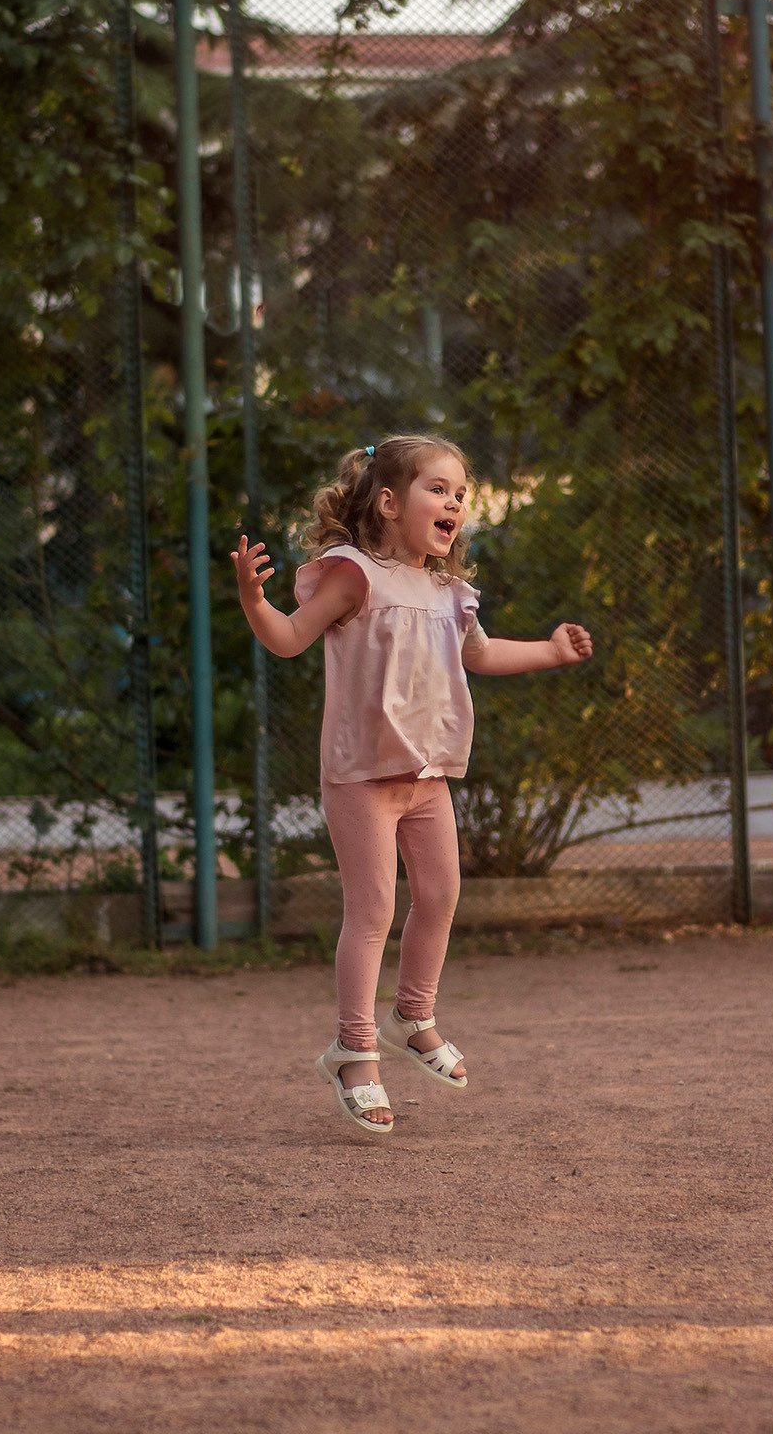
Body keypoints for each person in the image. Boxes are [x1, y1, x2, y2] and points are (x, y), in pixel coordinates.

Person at [230, 434, 594, 1135]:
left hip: (428, 776)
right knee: (371, 914)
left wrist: (549, 650)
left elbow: (481, 653)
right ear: (390, 502)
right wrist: (253, 599)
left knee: (442, 895)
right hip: (362, 777)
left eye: (460, 491)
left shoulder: (448, 591)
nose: (454, 500)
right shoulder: (352, 574)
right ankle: (354, 1050)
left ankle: (412, 1017)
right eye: (438, 487)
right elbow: (286, 638)